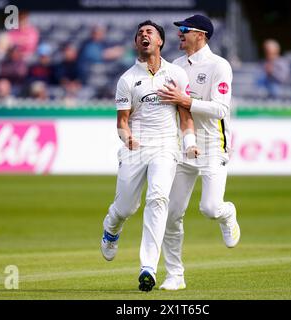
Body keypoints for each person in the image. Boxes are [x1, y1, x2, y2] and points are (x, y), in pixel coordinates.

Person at [100, 20, 200, 292]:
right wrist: (127, 137)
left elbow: (185, 116)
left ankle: (148, 268)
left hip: (165, 147)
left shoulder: (177, 74)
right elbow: (122, 122)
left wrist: (189, 142)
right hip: (135, 148)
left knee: (158, 199)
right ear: (137, 43)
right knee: (126, 208)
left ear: (160, 42)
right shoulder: (127, 79)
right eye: (140, 33)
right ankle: (111, 226)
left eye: (150, 32)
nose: (144, 35)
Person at [156, 14, 240, 291]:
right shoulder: (176, 66)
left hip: (213, 145)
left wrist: (186, 100)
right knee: (171, 213)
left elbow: (221, 109)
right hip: (182, 147)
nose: (178, 33)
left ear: (201, 35)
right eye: (179, 30)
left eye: (184, 29)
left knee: (210, 208)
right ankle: (175, 275)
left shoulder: (219, 66)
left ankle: (227, 214)